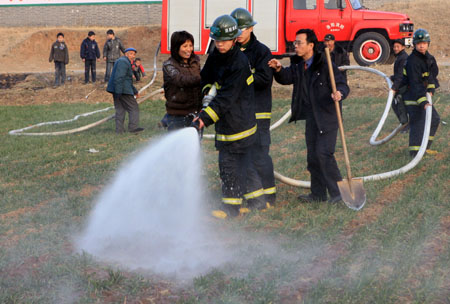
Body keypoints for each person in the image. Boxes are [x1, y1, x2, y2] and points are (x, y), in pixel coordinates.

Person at [268, 29, 350, 204]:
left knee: (324, 154)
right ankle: (318, 194)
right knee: (313, 156)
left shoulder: (326, 64)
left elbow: (342, 84)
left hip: (328, 117)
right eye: (295, 43)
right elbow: (286, 77)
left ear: (311, 45)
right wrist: (278, 68)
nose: (295, 46)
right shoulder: (299, 65)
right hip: (312, 118)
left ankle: (338, 195)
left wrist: (339, 93)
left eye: (299, 43)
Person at [194, 15, 263, 218]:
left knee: (229, 164)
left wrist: (204, 118)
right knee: (244, 163)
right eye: (217, 40)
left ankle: (231, 208)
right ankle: (258, 201)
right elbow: (206, 76)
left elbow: (226, 98)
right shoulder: (216, 54)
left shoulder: (239, 63)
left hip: (238, 123)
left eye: (224, 40)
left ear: (234, 39)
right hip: (232, 120)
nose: (220, 44)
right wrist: (207, 91)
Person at [231, 8, 276, 208]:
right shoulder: (227, 50)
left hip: (258, 112)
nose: (239, 34)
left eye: (242, 29)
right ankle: (247, 194)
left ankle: (269, 197)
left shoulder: (261, 51)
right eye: (236, 30)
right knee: (240, 156)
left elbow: (265, 79)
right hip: (237, 114)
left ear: (250, 28)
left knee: (259, 155)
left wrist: (243, 78)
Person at [402, 28, 440, 156]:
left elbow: (432, 76)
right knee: (418, 122)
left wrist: (431, 88)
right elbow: (415, 83)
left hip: (422, 94)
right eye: (419, 43)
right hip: (412, 95)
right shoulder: (413, 61)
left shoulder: (429, 58)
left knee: (434, 119)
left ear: (428, 43)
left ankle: (425, 148)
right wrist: (423, 101)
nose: (422, 46)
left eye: (424, 43)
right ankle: (415, 153)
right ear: (414, 45)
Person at [162, 31, 202, 131]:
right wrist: (203, 78)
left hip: (196, 114)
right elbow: (181, 80)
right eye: (185, 46)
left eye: (191, 45)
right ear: (176, 47)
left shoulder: (195, 63)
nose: (189, 49)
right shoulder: (169, 65)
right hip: (177, 116)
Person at [106, 47, 144, 134]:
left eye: (134, 54)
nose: (133, 56)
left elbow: (127, 80)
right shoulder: (123, 62)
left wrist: (135, 91)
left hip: (119, 89)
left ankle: (119, 131)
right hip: (122, 90)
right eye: (131, 54)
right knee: (133, 108)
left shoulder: (124, 61)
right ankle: (133, 128)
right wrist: (118, 92)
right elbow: (119, 78)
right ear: (126, 54)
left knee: (120, 110)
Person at [390, 39, 409, 125]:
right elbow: (399, 74)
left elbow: (401, 76)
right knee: (395, 104)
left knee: (400, 104)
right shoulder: (400, 57)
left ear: (403, 47)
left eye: (398, 47)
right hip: (401, 85)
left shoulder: (403, 58)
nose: (396, 48)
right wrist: (392, 77)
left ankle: (405, 125)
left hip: (404, 86)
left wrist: (394, 88)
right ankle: (404, 123)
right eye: (394, 47)